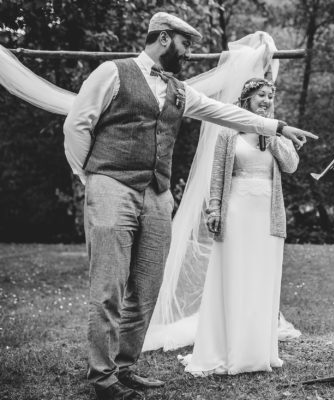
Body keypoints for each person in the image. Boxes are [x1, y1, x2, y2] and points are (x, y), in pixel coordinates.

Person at [62, 13, 317, 400]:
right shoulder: (111, 73)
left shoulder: (179, 90)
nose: (190, 54)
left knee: (146, 288)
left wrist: (276, 127)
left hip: (158, 196)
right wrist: (92, 177)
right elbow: (77, 126)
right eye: (186, 44)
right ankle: (103, 378)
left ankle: (126, 367)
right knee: (109, 287)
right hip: (112, 187)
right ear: (164, 39)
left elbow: (225, 113)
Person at [176, 77, 297, 376]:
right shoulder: (229, 134)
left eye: (270, 96)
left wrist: (272, 138)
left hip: (267, 217)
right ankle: (228, 348)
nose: (267, 100)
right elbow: (218, 175)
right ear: (247, 99)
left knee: (262, 279)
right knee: (234, 276)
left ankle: (259, 350)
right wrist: (214, 208)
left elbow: (292, 165)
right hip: (237, 213)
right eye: (261, 95)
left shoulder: (275, 134)